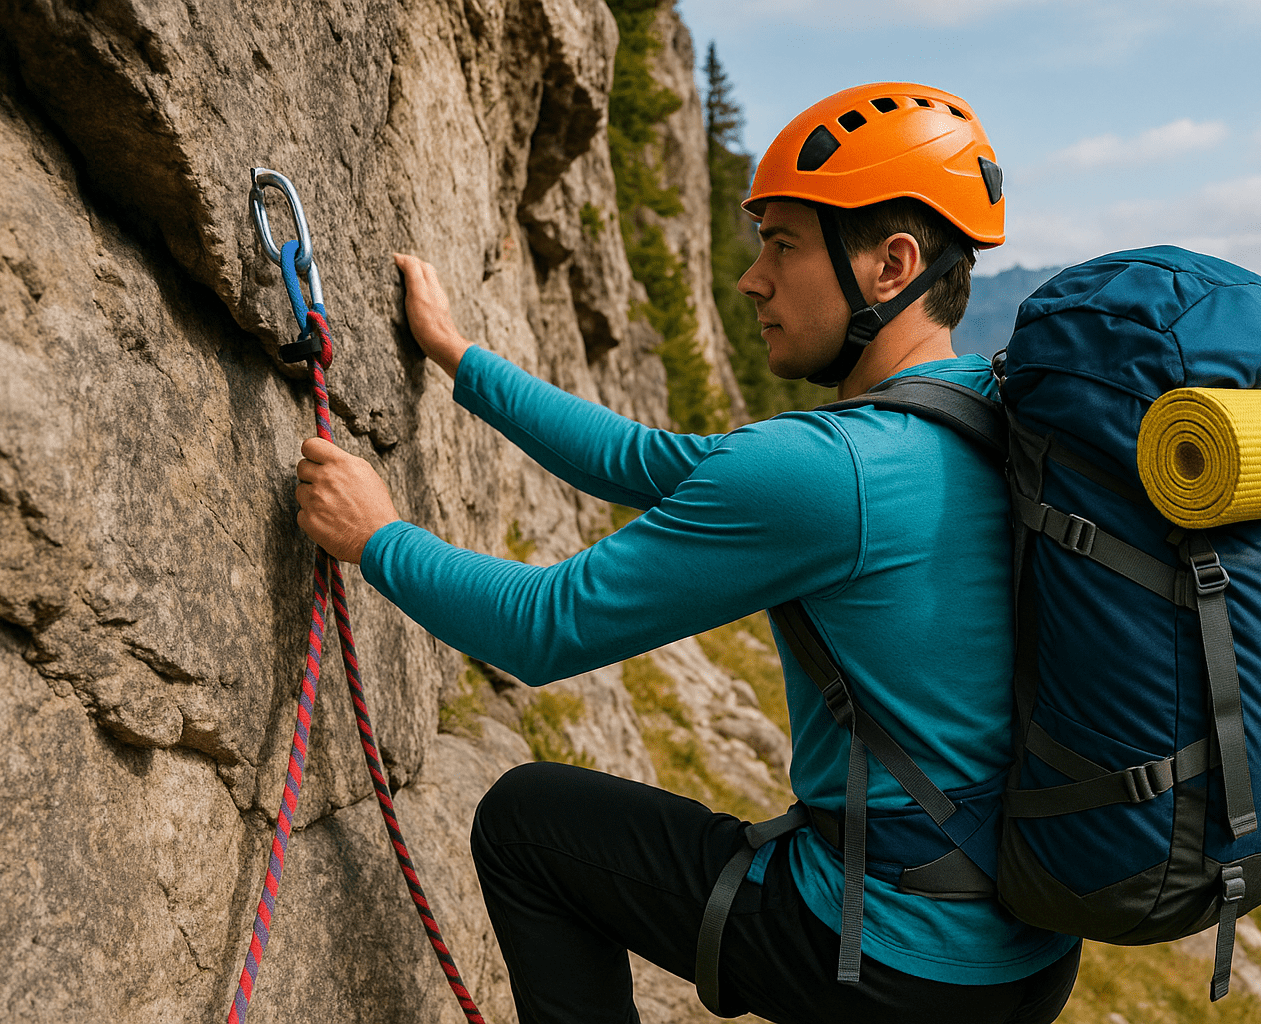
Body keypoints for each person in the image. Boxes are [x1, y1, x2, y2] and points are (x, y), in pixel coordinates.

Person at [294, 82, 1081, 1024]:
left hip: (894, 961)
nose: (752, 279)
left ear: (891, 264)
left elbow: (543, 632)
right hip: (1025, 950)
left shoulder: (828, 471)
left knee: (526, 823)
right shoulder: (985, 416)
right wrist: (461, 356)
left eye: (783, 244)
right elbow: (645, 461)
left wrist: (375, 535)